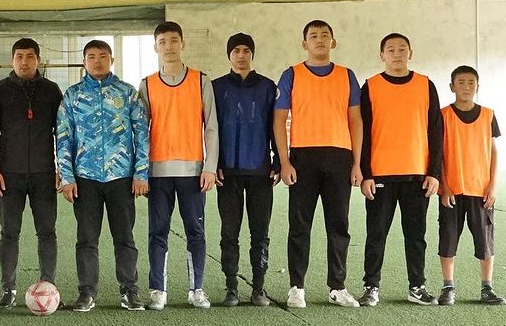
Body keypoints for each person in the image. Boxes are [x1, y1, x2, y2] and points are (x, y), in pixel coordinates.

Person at [274, 20, 363, 308]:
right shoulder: (291, 74)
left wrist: (357, 163)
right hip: (303, 158)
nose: (320, 40)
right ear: (305, 44)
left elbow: (355, 120)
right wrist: (284, 161)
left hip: (340, 157)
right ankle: (296, 287)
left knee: (339, 225)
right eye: (313, 36)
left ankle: (337, 287)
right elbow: (278, 120)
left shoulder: (347, 75)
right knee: (299, 225)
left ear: (333, 42)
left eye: (325, 35)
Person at [56, 40, 149, 312]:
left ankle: (130, 291)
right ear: (84, 61)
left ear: (112, 60)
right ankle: (86, 292)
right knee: (86, 239)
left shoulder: (127, 93)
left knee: (125, 237)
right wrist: (67, 177)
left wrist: (141, 172)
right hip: (85, 178)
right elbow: (63, 137)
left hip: (121, 178)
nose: (97, 61)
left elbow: (142, 134)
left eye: (102, 56)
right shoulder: (73, 95)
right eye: (91, 57)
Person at [138, 22, 218, 310]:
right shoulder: (147, 84)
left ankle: (197, 289)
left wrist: (210, 166)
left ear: (182, 44)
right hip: (157, 173)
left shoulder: (200, 81)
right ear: (155, 47)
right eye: (162, 41)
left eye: (173, 40)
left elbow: (211, 127)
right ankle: (158, 290)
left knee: (195, 232)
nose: (168, 46)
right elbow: (140, 131)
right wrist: (141, 171)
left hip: (192, 172)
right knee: (157, 232)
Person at [358, 34, 442, 307]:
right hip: (381, 175)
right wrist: (366, 174)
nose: (397, 54)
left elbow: (436, 132)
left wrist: (434, 173)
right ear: (382, 55)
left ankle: (417, 287)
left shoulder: (425, 85)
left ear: (410, 53)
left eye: (402, 49)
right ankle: (371, 287)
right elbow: (362, 133)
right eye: (391, 49)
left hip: (417, 175)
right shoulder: (370, 86)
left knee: (416, 236)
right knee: (376, 234)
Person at [0, 37, 63, 309]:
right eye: (19, 56)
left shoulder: (51, 91)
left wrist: (61, 169)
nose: (24, 62)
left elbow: (62, 132)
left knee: (47, 232)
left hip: (44, 174)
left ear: (38, 60)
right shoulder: (0, 91)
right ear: (12, 60)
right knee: (9, 233)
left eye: (30, 56)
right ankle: (8, 289)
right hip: (9, 175)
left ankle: (48, 285)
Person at [212, 33, 278, 307]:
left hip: (260, 171)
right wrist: (213, 163)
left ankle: (258, 288)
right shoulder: (216, 87)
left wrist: (277, 161)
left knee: (260, 232)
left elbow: (275, 126)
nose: (241, 55)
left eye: (246, 50)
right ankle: (231, 288)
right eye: (236, 50)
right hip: (227, 172)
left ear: (252, 54)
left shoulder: (267, 87)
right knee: (229, 232)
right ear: (229, 55)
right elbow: (209, 128)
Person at [438, 66, 505, 305]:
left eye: (471, 83)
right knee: (447, 239)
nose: (466, 87)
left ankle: (487, 287)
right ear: (452, 87)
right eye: (461, 82)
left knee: (485, 240)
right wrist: (444, 186)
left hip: (481, 190)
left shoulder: (488, 115)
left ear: (477, 86)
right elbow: (437, 154)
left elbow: (494, 152)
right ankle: (448, 287)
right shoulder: (443, 115)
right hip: (452, 190)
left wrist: (492, 185)